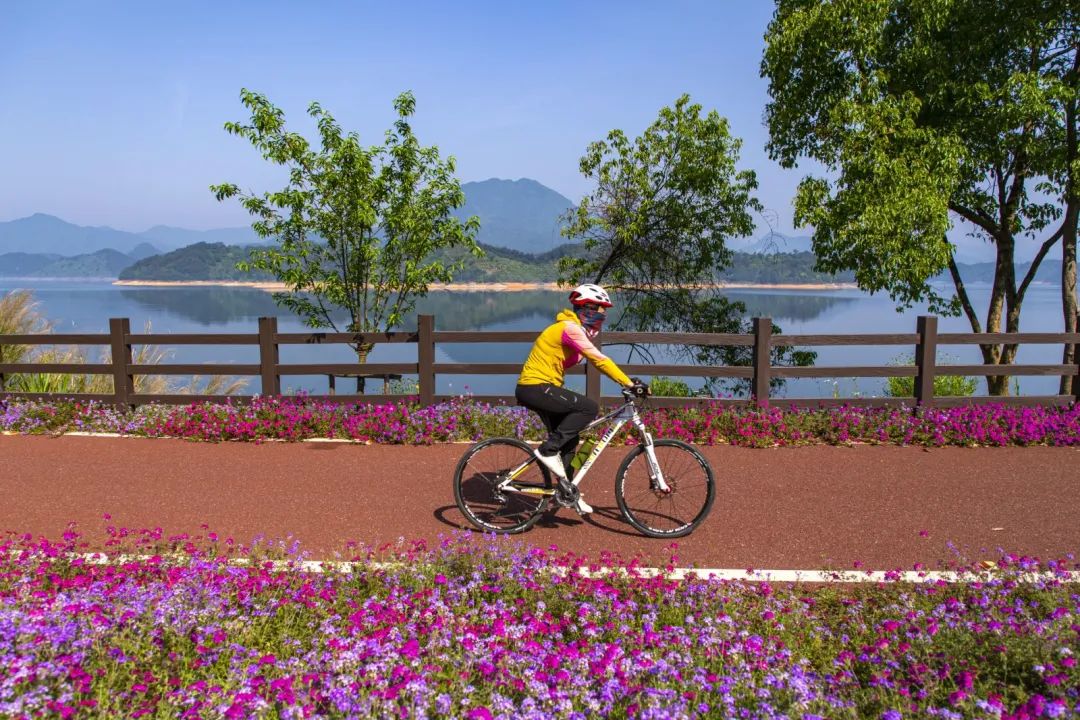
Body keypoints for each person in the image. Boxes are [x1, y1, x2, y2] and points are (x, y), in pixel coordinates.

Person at [515, 283, 644, 515]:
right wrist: (629, 383)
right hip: (536, 387)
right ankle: (547, 450)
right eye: (600, 311)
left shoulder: (573, 329)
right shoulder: (569, 328)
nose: (602, 316)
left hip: (542, 388)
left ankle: (568, 492)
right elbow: (599, 360)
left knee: (570, 442)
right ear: (587, 308)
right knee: (588, 408)